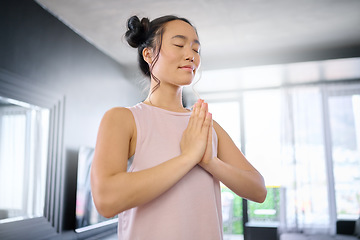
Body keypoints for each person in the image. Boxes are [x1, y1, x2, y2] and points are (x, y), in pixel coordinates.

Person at [90, 15, 267, 240]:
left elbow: (258, 190)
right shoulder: (123, 119)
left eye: (196, 49)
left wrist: (210, 162)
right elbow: (106, 200)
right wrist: (188, 157)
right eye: (179, 44)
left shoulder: (206, 125)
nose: (190, 55)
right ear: (149, 54)